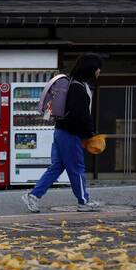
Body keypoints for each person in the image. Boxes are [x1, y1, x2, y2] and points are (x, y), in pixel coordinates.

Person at [22, 53, 103, 213]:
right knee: (77, 168)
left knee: (57, 166)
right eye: (98, 67)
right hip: (71, 134)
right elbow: (81, 115)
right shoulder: (79, 88)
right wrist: (90, 135)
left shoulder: (71, 83)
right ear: (91, 68)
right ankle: (83, 201)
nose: (99, 71)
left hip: (60, 131)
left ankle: (33, 195)